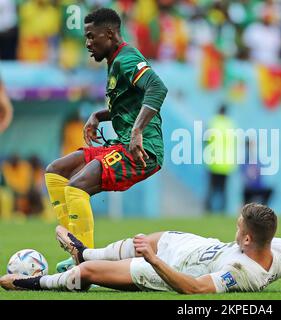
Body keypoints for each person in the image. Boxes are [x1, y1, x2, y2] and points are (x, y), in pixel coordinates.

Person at [0, 168, 281, 293]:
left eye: (237, 227)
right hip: (189, 245)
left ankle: (36, 282)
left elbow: (193, 289)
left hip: (171, 270)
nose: (235, 228)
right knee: (153, 237)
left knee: (89, 275)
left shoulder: (245, 273)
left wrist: (153, 260)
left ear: (246, 238)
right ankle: (85, 252)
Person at [44, 8, 168, 273]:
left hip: (142, 151)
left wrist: (136, 133)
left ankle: (84, 262)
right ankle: (75, 249)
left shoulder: (127, 58)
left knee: (76, 187)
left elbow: (157, 87)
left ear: (110, 33)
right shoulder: (114, 62)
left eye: (91, 37)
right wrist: (98, 115)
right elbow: (127, 106)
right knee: (56, 171)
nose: (87, 44)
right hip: (122, 145)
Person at [204, 104, 236, 213]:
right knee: (223, 190)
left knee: (211, 189)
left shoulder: (213, 123)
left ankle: (208, 210)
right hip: (226, 163)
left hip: (214, 162)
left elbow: (206, 140)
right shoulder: (230, 124)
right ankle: (223, 211)